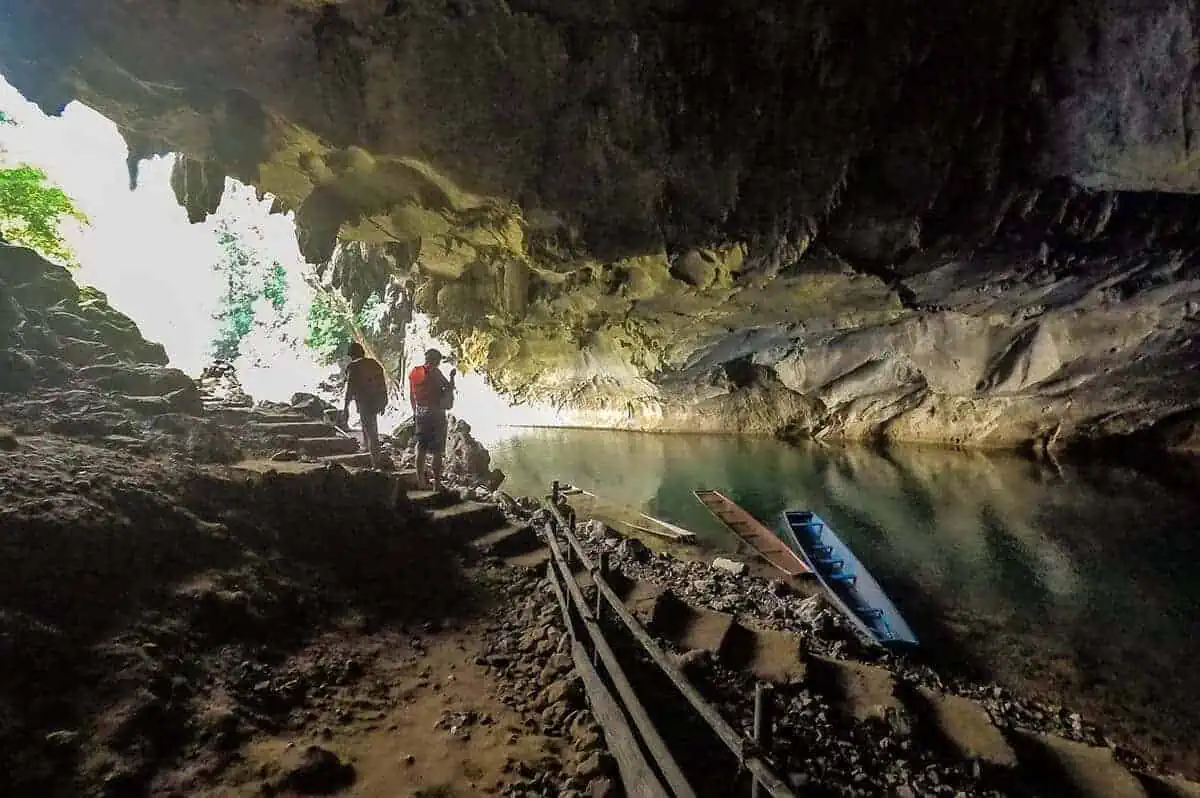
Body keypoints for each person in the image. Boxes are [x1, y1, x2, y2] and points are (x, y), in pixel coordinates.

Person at [409, 348, 455, 491]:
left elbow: (412, 395)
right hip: (436, 413)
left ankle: (421, 481)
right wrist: (452, 376)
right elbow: (448, 387)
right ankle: (436, 484)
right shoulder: (435, 372)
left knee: (421, 447)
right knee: (437, 450)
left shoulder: (415, 372)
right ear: (436, 360)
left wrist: (415, 412)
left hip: (420, 412)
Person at [343, 341, 388, 468]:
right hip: (376, 399)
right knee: (369, 428)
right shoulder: (374, 363)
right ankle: (370, 454)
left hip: (364, 401)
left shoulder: (353, 367)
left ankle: (375, 462)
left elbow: (350, 388)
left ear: (352, 355)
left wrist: (345, 406)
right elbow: (382, 383)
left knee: (371, 431)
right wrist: (384, 401)